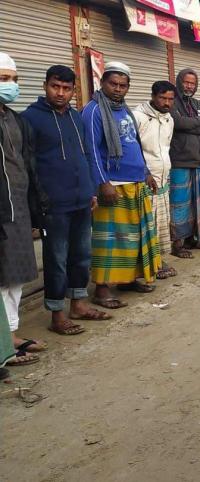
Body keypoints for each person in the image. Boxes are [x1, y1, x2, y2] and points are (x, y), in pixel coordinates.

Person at [23, 64, 109, 338]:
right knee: (56, 259)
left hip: (82, 201)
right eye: (55, 87)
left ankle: (79, 305)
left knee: (81, 256)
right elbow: (28, 166)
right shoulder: (29, 119)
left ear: (74, 90)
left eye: (66, 88)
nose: (60, 93)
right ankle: (57, 314)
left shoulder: (76, 117)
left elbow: (85, 155)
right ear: (45, 86)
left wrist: (91, 190)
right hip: (53, 205)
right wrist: (37, 206)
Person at [81, 61, 161, 309]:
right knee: (110, 239)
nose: (117, 89)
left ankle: (127, 280)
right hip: (112, 185)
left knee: (132, 238)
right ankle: (102, 289)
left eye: (122, 85)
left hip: (135, 183)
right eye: (113, 84)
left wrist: (146, 172)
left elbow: (134, 143)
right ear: (102, 83)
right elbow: (91, 150)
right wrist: (102, 183)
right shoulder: (93, 111)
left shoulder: (124, 110)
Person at [0, 52, 50, 365]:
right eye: (4, 79)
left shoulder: (14, 119)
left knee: (15, 277)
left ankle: (12, 335)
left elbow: (26, 165)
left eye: (14, 79)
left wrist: (35, 208)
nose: (11, 85)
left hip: (16, 209)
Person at [133, 81, 178, 280]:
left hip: (163, 179)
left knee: (160, 223)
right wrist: (145, 173)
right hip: (145, 181)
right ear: (153, 96)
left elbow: (165, 148)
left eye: (170, 99)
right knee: (145, 225)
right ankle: (144, 264)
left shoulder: (169, 119)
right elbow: (133, 149)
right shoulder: (137, 117)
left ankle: (157, 260)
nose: (166, 102)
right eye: (162, 98)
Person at [169, 68, 200, 256]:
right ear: (179, 81)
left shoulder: (197, 103)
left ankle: (194, 238)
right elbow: (177, 123)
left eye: (193, 83)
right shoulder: (172, 101)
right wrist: (198, 121)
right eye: (186, 82)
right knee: (180, 204)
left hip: (198, 161)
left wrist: (191, 123)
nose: (189, 86)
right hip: (180, 160)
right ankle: (177, 243)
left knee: (197, 203)